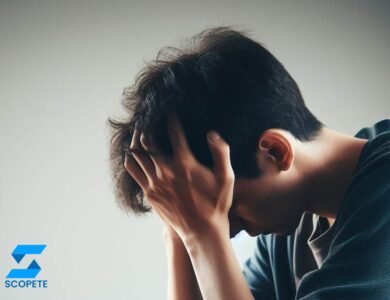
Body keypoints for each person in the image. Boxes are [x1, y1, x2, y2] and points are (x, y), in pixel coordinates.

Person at [108, 26, 390, 299]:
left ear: (275, 152)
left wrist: (201, 234)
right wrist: (180, 232)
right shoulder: (286, 233)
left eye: (227, 207)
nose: (226, 231)